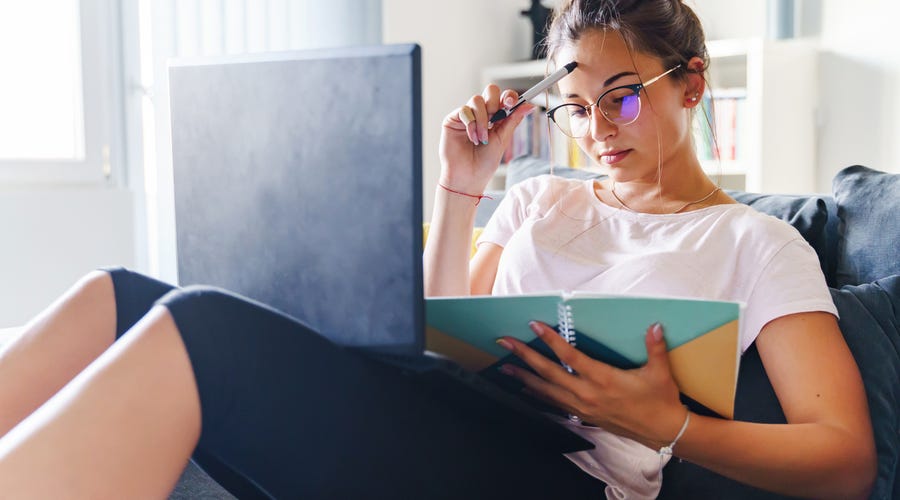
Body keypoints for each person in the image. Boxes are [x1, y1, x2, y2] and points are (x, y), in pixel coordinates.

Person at [0, 0, 876, 498]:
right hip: (455, 413)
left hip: (562, 475)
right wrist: (462, 184)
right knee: (118, 294)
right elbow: (439, 330)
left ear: (691, 84)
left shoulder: (756, 242)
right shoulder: (538, 198)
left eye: (623, 98)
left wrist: (669, 425)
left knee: (201, 328)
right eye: (576, 109)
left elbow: (845, 457)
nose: (599, 130)